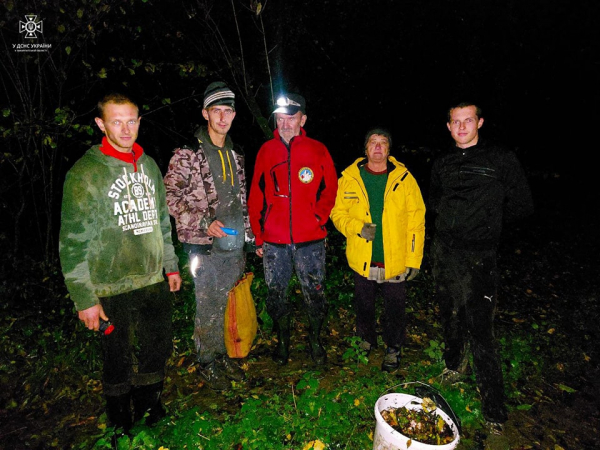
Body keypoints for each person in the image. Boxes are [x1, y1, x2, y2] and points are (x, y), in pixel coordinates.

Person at [59, 93, 182, 438]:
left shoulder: (149, 165)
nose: (126, 129)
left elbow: (161, 222)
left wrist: (170, 266)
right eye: (117, 121)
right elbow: (71, 243)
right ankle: (118, 424)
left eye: (132, 120)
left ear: (139, 121)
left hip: (151, 279)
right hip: (110, 285)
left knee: (158, 346)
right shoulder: (85, 174)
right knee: (116, 357)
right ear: (101, 124)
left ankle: (150, 408)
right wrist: (84, 299)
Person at [429, 102, 533, 434]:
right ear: (448, 126)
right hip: (444, 252)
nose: (461, 127)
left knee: (481, 330)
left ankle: (494, 409)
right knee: (449, 313)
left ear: (480, 122)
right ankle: (453, 364)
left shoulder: (501, 159)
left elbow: (521, 205)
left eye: (468, 120)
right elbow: (435, 202)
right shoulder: (442, 164)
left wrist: (487, 227)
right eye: (455, 122)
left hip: (480, 257)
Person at [164, 82, 253, 391]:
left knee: (226, 303)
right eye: (217, 111)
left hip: (233, 243)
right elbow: (169, 195)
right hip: (203, 245)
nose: (223, 117)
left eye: (228, 111)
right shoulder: (188, 153)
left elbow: (241, 198)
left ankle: (222, 354)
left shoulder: (237, 153)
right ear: (205, 113)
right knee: (207, 305)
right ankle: (206, 361)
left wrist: (251, 236)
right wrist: (204, 222)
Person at [247, 93, 338, 366]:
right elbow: (255, 194)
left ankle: (315, 341)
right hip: (274, 241)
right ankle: (283, 341)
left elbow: (331, 187)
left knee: (316, 292)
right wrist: (258, 235)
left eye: (291, 117)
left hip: (310, 240)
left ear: (303, 119)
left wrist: (319, 217)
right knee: (276, 294)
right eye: (280, 117)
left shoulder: (317, 149)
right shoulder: (266, 150)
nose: (285, 123)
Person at [330, 128, 426, 371]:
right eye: (373, 142)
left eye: (383, 143)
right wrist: (356, 227)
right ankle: (365, 341)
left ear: (389, 150)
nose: (378, 147)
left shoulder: (405, 179)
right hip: (362, 257)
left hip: (395, 258)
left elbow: (417, 221)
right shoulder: (349, 178)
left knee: (395, 307)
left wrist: (414, 259)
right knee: (364, 304)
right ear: (365, 149)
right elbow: (336, 212)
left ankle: (393, 348)